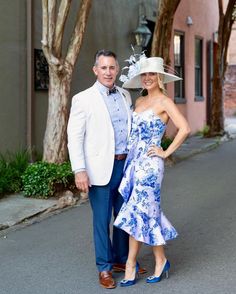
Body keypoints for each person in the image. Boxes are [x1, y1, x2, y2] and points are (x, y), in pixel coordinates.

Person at [67, 49, 146, 289]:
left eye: (112, 67)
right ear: (95, 70)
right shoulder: (83, 99)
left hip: (125, 165)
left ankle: (122, 260)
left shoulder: (124, 95)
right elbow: (74, 136)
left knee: (123, 217)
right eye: (104, 68)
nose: (109, 72)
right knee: (101, 221)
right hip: (100, 169)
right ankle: (104, 268)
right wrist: (79, 169)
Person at [114, 55, 190, 287]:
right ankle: (160, 259)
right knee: (146, 211)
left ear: (159, 78)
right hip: (134, 164)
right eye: (144, 74)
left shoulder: (165, 102)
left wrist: (165, 153)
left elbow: (185, 128)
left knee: (139, 210)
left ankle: (130, 264)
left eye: (151, 74)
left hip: (150, 165)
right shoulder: (138, 102)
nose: (147, 78)